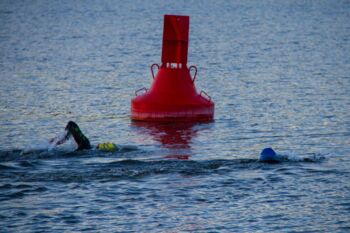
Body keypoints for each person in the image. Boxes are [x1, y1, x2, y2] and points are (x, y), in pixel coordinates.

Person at [49, 121, 118, 151]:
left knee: (70, 125)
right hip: (85, 145)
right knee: (70, 127)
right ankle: (58, 141)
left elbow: (70, 125)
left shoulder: (85, 144)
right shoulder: (86, 144)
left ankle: (57, 141)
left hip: (85, 145)